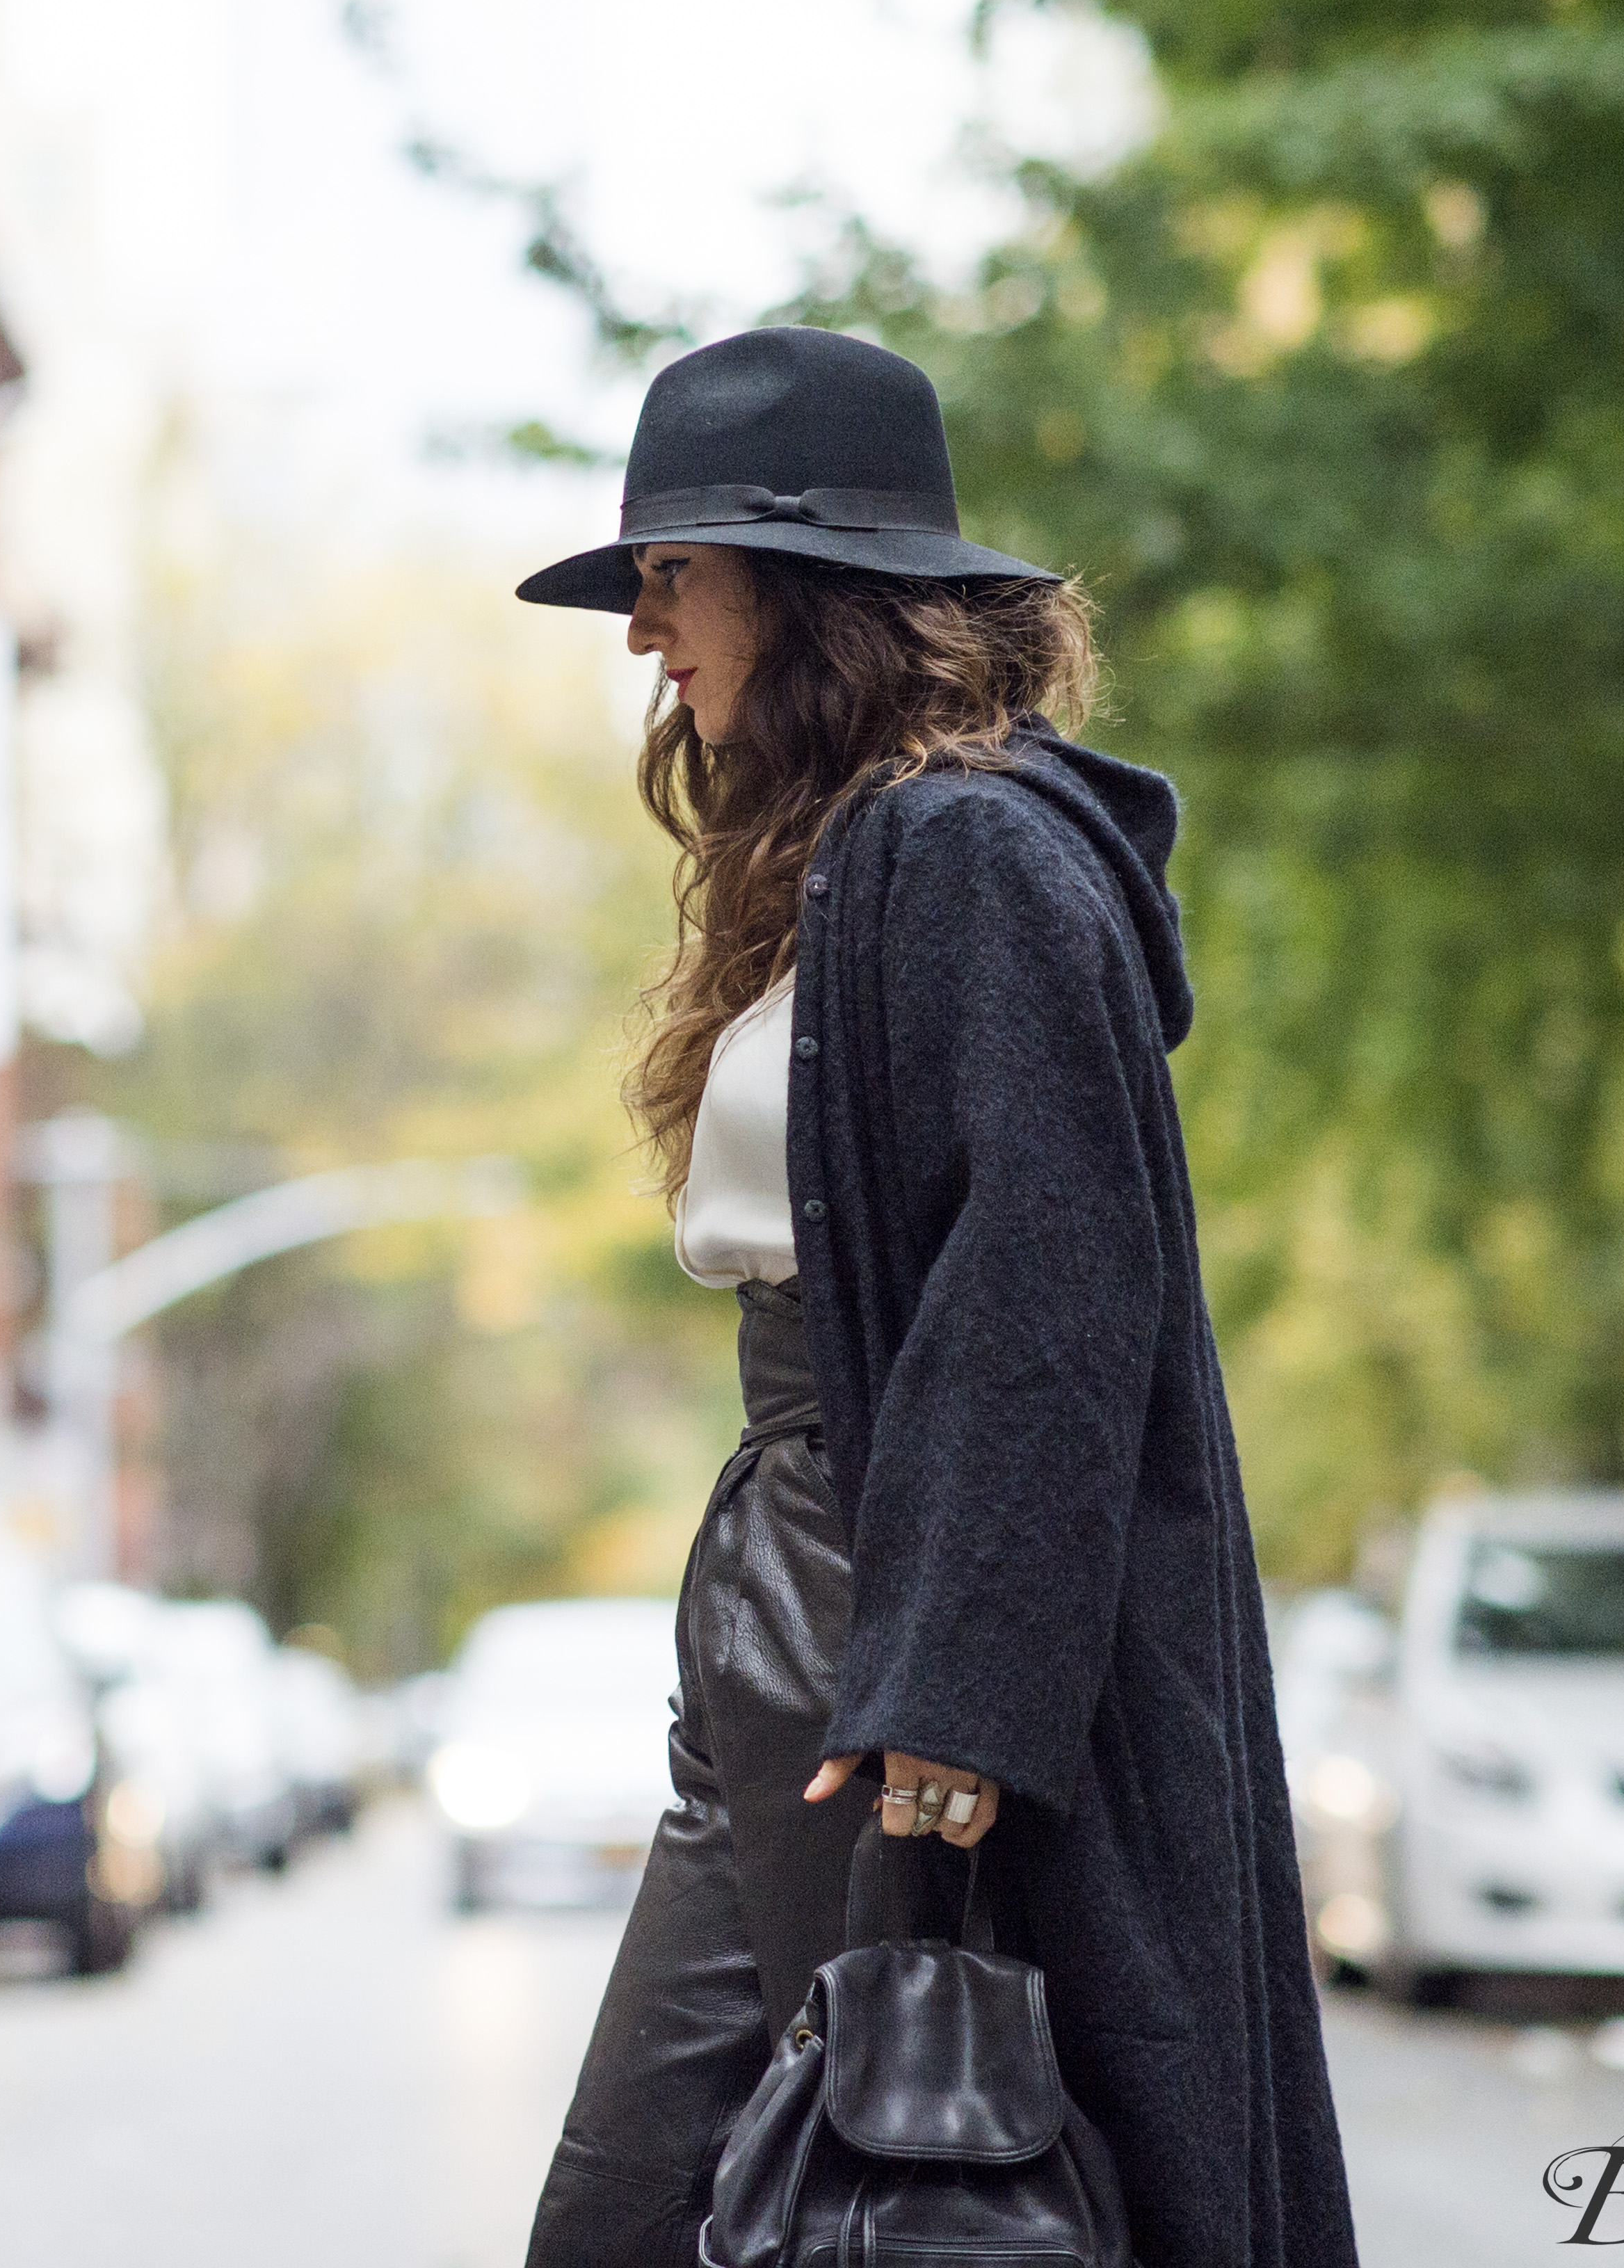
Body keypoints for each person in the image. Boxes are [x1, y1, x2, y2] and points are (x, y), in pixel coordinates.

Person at [511, 326, 1358, 2268]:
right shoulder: (866, 856)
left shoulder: (965, 850)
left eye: (670, 577)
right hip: (792, 1570)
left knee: (908, 2188)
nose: (645, 638)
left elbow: (1050, 1274)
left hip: (882, 1594)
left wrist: (955, 1693)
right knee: (654, 2192)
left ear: (806, 593)